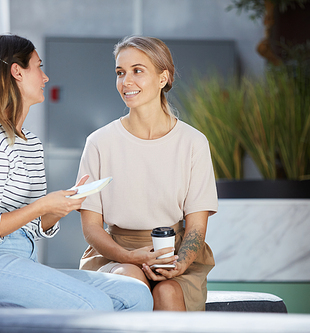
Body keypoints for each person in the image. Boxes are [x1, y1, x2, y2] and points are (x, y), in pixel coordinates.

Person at [0, 34, 153, 311]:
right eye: (38, 67)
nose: (45, 77)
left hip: (19, 260)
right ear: (17, 72)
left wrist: (57, 209)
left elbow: (29, 227)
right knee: (95, 305)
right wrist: (43, 204)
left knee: (135, 295)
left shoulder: (30, 144)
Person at [76, 36, 218, 311]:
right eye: (120, 73)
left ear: (163, 78)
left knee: (167, 293)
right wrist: (128, 256)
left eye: (137, 71)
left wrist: (180, 264)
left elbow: (197, 227)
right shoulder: (99, 142)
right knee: (131, 284)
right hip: (114, 255)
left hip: (175, 255)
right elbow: (91, 227)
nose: (126, 81)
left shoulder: (193, 142)